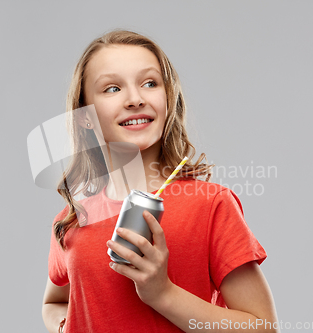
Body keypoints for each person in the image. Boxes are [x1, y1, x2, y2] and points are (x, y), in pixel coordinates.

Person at [42, 29, 280, 333]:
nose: (135, 99)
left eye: (149, 83)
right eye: (112, 88)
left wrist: (163, 294)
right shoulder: (72, 219)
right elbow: (53, 303)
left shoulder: (210, 205)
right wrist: (65, 327)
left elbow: (263, 328)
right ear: (85, 116)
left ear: (168, 99)